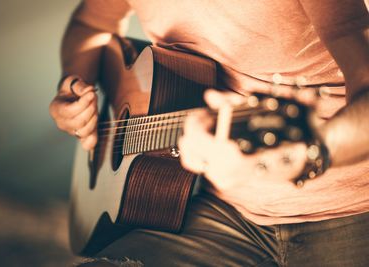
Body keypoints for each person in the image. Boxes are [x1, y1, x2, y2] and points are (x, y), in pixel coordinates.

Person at [49, 0, 369, 266]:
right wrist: (74, 85)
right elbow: (90, 24)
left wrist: (310, 152)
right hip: (224, 210)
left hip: (350, 213)